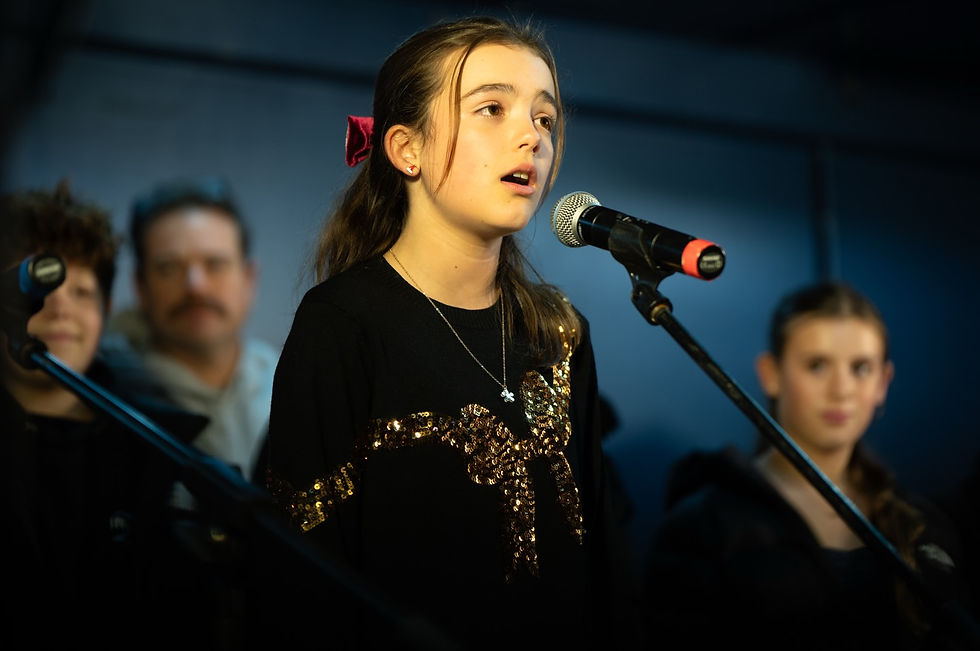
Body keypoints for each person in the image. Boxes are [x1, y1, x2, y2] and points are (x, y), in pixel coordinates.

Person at [259, 15, 641, 649]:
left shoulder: (559, 330)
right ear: (407, 149)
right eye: (493, 108)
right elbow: (303, 572)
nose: (531, 136)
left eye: (544, 119)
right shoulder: (345, 322)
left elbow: (604, 559)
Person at [642, 281, 975, 650]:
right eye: (817, 365)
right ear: (771, 373)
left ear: (884, 382)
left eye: (860, 368)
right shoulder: (704, 526)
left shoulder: (922, 525)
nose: (842, 389)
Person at [0, 180, 209, 647]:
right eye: (39, 287)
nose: (60, 310)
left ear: (107, 308)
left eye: (81, 292)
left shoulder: (157, 449)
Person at [102, 176, 278, 512]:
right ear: (140, 287)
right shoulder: (107, 398)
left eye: (215, 264)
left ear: (249, 279)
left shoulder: (295, 389)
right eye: (169, 268)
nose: (195, 285)